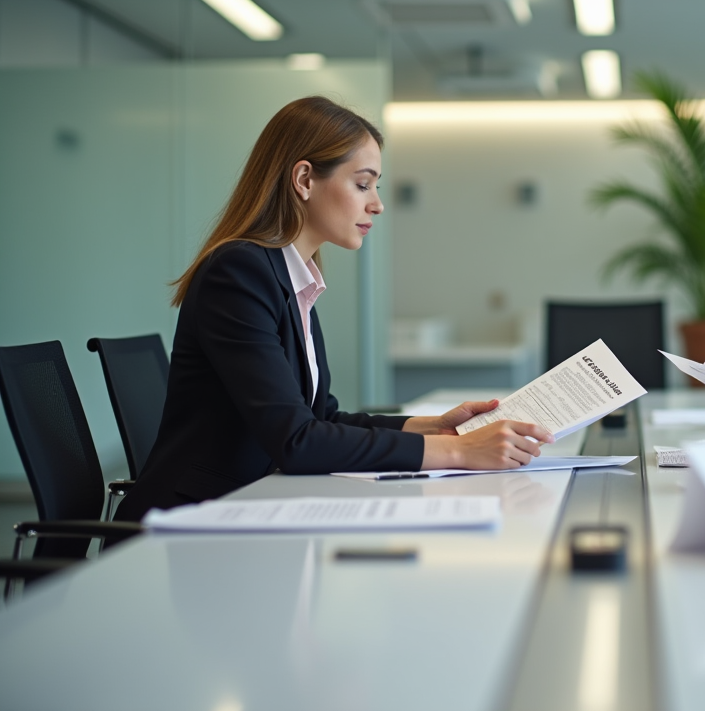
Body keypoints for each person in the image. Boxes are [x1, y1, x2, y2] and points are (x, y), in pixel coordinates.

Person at [115, 97, 553, 522]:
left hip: (253, 504)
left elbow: (320, 417)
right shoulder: (239, 272)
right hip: (190, 523)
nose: (377, 203)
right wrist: (460, 452)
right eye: (363, 184)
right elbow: (298, 440)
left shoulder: (292, 276)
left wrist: (434, 427)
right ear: (304, 179)